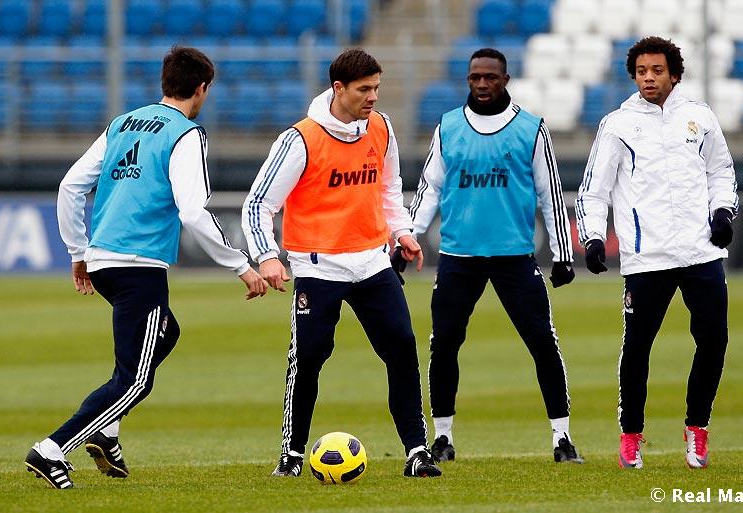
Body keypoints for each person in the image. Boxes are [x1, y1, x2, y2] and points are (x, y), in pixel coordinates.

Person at [26, 46, 266, 489]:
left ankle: (106, 430)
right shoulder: (185, 133)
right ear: (202, 89)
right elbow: (193, 211)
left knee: (165, 334)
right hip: (138, 264)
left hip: (103, 260)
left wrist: (78, 251)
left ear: (165, 82)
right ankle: (52, 448)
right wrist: (241, 265)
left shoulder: (122, 123)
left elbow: (70, 186)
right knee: (134, 381)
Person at [241, 48, 441, 478]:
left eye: (377, 88)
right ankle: (292, 455)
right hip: (318, 268)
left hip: (373, 262)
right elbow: (258, 203)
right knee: (309, 357)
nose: (373, 97)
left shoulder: (381, 126)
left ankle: (417, 451)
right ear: (338, 88)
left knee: (402, 348)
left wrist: (402, 231)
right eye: (364, 89)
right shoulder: (300, 139)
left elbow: (389, 187)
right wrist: (267, 256)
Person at [403, 48, 583, 464]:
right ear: (468, 80)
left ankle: (562, 438)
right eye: (475, 77)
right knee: (444, 344)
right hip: (458, 255)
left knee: (543, 342)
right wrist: (407, 237)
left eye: (490, 77)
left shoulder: (531, 129)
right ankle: (442, 438)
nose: (482, 84)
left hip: (514, 256)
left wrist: (562, 252)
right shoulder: (448, 126)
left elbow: (550, 192)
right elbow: (430, 188)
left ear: (506, 79)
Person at [576, 36, 738, 469]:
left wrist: (723, 212)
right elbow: (594, 190)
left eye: (657, 71)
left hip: (702, 253)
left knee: (714, 340)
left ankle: (697, 429)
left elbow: (721, 171)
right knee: (638, 346)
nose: (648, 78)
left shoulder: (700, 117)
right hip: (647, 258)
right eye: (641, 71)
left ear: (675, 75)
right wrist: (593, 237)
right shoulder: (617, 124)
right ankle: (631, 435)